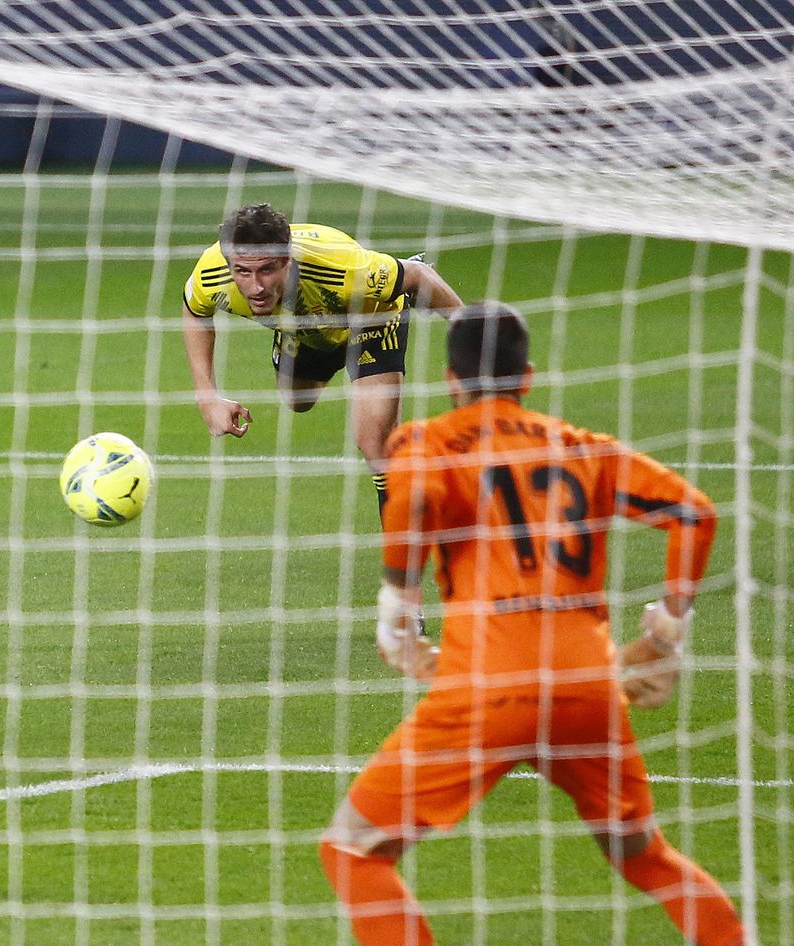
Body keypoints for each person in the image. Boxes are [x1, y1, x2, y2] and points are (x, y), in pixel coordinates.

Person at [318, 302, 743, 945]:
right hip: (588, 686)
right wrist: (664, 636)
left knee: (352, 850)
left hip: (487, 685)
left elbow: (413, 501)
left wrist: (397, 612)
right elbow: (695, 515)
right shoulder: (584, 449)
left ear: (452, 380)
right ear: (529, 376)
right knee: (643, 854)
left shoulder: (426, 442)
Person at [180, 202, 464, 513]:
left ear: (287, 260)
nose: (256, 286)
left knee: (374, 442)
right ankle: (300, 329)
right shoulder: (211, 273)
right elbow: (195, 313)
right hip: (309, 326)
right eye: (243, 272)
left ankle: (401, 554)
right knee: (297, 399)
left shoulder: (346, 268)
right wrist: (207, 398)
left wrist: (475, 335)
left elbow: (418, 275)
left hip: (369, 316)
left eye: (267, 270)